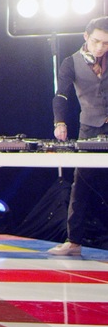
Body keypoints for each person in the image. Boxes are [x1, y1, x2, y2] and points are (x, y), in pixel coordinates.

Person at [48, 16, 108, 256]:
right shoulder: (70, 62)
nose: (100, 48)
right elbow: (61, 95)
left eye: (106, 43)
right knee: (80, 185)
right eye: (96, 41)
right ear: (86, 37)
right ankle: (74, 242)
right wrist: (59, 122)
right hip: (89, 128)